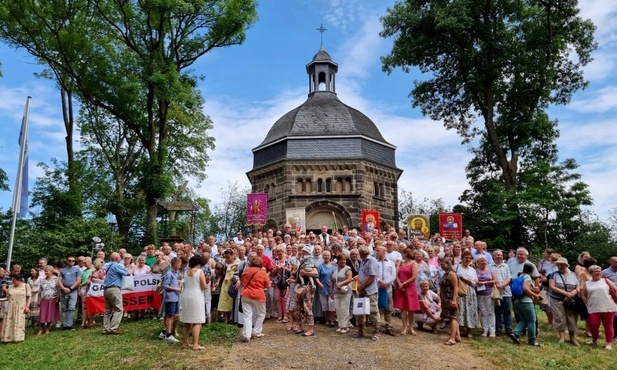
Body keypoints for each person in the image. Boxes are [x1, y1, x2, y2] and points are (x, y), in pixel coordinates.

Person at [582, 265, 617, 350]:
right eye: (596, 271)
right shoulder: (587, 283)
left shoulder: (606, 280)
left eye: (599, 271)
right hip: (593, 308)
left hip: (608, 306)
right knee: (593, 325)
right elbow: (583, 295)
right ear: (591, 273)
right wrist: (587, 303)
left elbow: (615, 289)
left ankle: (609, 343)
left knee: (608, 325)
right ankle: (594, 340)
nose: (598, 273)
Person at [548, 257, 581, 346]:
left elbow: (578, 286)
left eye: (562, 264)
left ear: (566, 265)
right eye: (558, 264)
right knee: (559, 317)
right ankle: (561, 337)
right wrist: (566, 293)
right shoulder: (553, 274)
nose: (560, 266)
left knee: (572, 318)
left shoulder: (574, 275)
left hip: (571, 300)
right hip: (556, 299)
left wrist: (572, 293)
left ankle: (572, 338)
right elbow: (552, 286)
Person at [240, 254, 271, 343]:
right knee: (261, 314)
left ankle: (246, 335)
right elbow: (268, 285)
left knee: (247, 316)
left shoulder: (246, 270)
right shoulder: (262, 272)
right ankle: (256, 332)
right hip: (258, 295)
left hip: (246, 294)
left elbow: (242, 282)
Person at [509, 263, 542, 347]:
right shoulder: (527, 277)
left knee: (523, 320)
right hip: (526, 302)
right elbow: (525, 288)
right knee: (531, 321)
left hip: (517, 302)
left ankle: (515, 334)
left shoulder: (520, 276)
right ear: (532, 270)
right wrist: (535, 295)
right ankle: (532, 340)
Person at [180, 256, 208, 350]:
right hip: (196, 295)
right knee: (197, 321)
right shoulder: (200, 272)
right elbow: (204, 286)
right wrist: (207, 283)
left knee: (187, 321)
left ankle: (185, 342)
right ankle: (195, 344)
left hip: (186, 295)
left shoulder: (185, 272)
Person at [354, 246, 381, 341]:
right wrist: (360, 285)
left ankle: (377, 331)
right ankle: (360, 330)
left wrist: (362, 286)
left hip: (370, 290)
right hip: (362, 290)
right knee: (359, 311)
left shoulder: (372, 261)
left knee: (373, 311)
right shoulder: (362, 261)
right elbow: (361, 275)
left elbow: (372, 276)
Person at [394, 247, 420, 335]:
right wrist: (399, 283)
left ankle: (411, 327)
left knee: (411, 308)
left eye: (403, 253)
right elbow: (396, 274)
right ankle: (404, 327)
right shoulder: (401, 263)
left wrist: (404, 283)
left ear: (406, 254)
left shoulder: (414, 264)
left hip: (410, 287)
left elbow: (414, 276)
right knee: (403, 308)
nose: (401, 255)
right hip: (401, 287)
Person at [102, 252, 129, 335]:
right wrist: (128, 267)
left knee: (108, 310)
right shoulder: (116, 265)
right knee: (119, 309)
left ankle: (105, 329)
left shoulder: (109, 266)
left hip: (106, 289)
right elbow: (127, 273)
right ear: (117, 258)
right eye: (119, 257)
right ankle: (113, 328)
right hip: (114, 289)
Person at [1, 273, 31, 342]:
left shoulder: (26, 286)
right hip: (10, 307)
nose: (13, 281)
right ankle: (8, 339)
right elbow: (8, 298)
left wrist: (27, 306)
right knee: (9, 323)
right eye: (12, 280)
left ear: (19, 279)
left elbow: (29, 297)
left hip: (20, 307)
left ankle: (18, 338)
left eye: (14, 280)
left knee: (18, 323)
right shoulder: (10, 287)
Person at [456, 251, 479, 337]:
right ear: (462, 258)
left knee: (470, 309)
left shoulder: (473, 270)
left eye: (469, 258)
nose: (468, 259)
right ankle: (459, 330)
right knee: (460, 308)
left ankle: (469, 330)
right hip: (460, 290)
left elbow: (476, 282)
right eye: (466, 258)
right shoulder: (457, 267)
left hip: (470, 291)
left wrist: (469, 281)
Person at [491, 249, 512, 336]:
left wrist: (502, 285)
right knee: (497, 311)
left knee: (507, 311)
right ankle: (498, 329)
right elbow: (490, 277)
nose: (499, 256)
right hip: (496, 292)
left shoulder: (506, 266)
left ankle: (508, 329)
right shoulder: (490, 266)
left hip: (506, 291)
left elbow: (509, 277)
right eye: (497, 255)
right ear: (494, 257)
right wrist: (497, 285)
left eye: (501, 255)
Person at [161, 257, 182, 342]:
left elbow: (172, 282)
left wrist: (178, 282)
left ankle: (164, 332)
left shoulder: (174, 274)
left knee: (176, 315)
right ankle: (168, 334)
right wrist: (177, 289)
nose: (180, 266)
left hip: (175, 297)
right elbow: (165, 285)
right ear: (176, 264)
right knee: (170, 315)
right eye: (179, 264)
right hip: (170, 298)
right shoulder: (169, 274)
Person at [439, 258, 460, 345]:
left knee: (453, 318)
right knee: (452, 317)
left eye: (443, 264)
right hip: (445, 299)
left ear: (448, 264)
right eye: (441, 264)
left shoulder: (451, 274)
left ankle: (452, 338)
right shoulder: (445, 273)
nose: (442, 266)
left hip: (451, 299)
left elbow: (456, 287)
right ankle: (457, 336)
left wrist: (454, 300)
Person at [58, 256, 82, 330]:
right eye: (70, 261)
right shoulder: (63, 270)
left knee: (71, 307)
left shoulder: (77, 270)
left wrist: (71, 288)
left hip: (73, 291)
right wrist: (64, 288)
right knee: (64, 308)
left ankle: (70, 325)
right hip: (63, 291)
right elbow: (59, 281)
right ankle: (65, 325)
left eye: (73, 261)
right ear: (67, 261)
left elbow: (78, 280)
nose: (71, 262)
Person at [475, 255, 497, 337]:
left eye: (484, 260)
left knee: (490, 312)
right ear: (477, 262)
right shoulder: (475, 271)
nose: (483, 262)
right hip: (479, 293)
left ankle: (492, 331)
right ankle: (485, 330)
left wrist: (485, 283)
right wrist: (477, 282)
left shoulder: (491, 270)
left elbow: (495, 280)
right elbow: (474, 279)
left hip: (489, 293)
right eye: (481, 261)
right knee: (483, 312)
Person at [331, 253, 353, 334]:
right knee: (338, 309)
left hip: (345, 291)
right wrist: (331, 291)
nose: (343, 261)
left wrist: (341, 283)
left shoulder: (348, 268)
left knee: (344, 308)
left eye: (344, 259)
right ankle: (340, 325)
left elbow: (350, 279)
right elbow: (332, 280)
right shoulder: (335, 269)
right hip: (336, 291)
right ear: (338, 260)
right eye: (341, 259)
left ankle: (345, 326)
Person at [316, 250, 337, 327]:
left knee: (331, 304)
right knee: (324, 305)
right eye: (325, 255)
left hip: (332, 288)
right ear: (322, 256)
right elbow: (317, 277)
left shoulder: (334, 266)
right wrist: (319, 283)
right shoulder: (320, 266)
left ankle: (332, 320)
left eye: (328, 255)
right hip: (323, 288)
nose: (326, 257)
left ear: (330, 256)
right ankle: (326, 320)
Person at [37, 266, 60, 335]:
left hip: (52, 299)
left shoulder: (56, 279)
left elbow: (59, 290)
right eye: (45, 271)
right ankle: (41, 328)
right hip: (44, 299)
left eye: (47, 271)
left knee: (50, 314)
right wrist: (38, 300)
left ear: (51, 271)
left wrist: (57, 298)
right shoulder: (42, 280)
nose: (46, 272)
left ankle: (47, 328)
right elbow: (40, 291)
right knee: (42, 314)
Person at [79, 258, 95, 329]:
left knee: (92, 305)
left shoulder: (94, 270)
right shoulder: (83, 271)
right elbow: (80, 281)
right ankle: (84, 322)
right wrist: (79, 290)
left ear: (90, 262)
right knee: (84, 306)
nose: (84, 264)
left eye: (85, 263)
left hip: (92, 289)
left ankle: (91, 321)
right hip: (84, 288)